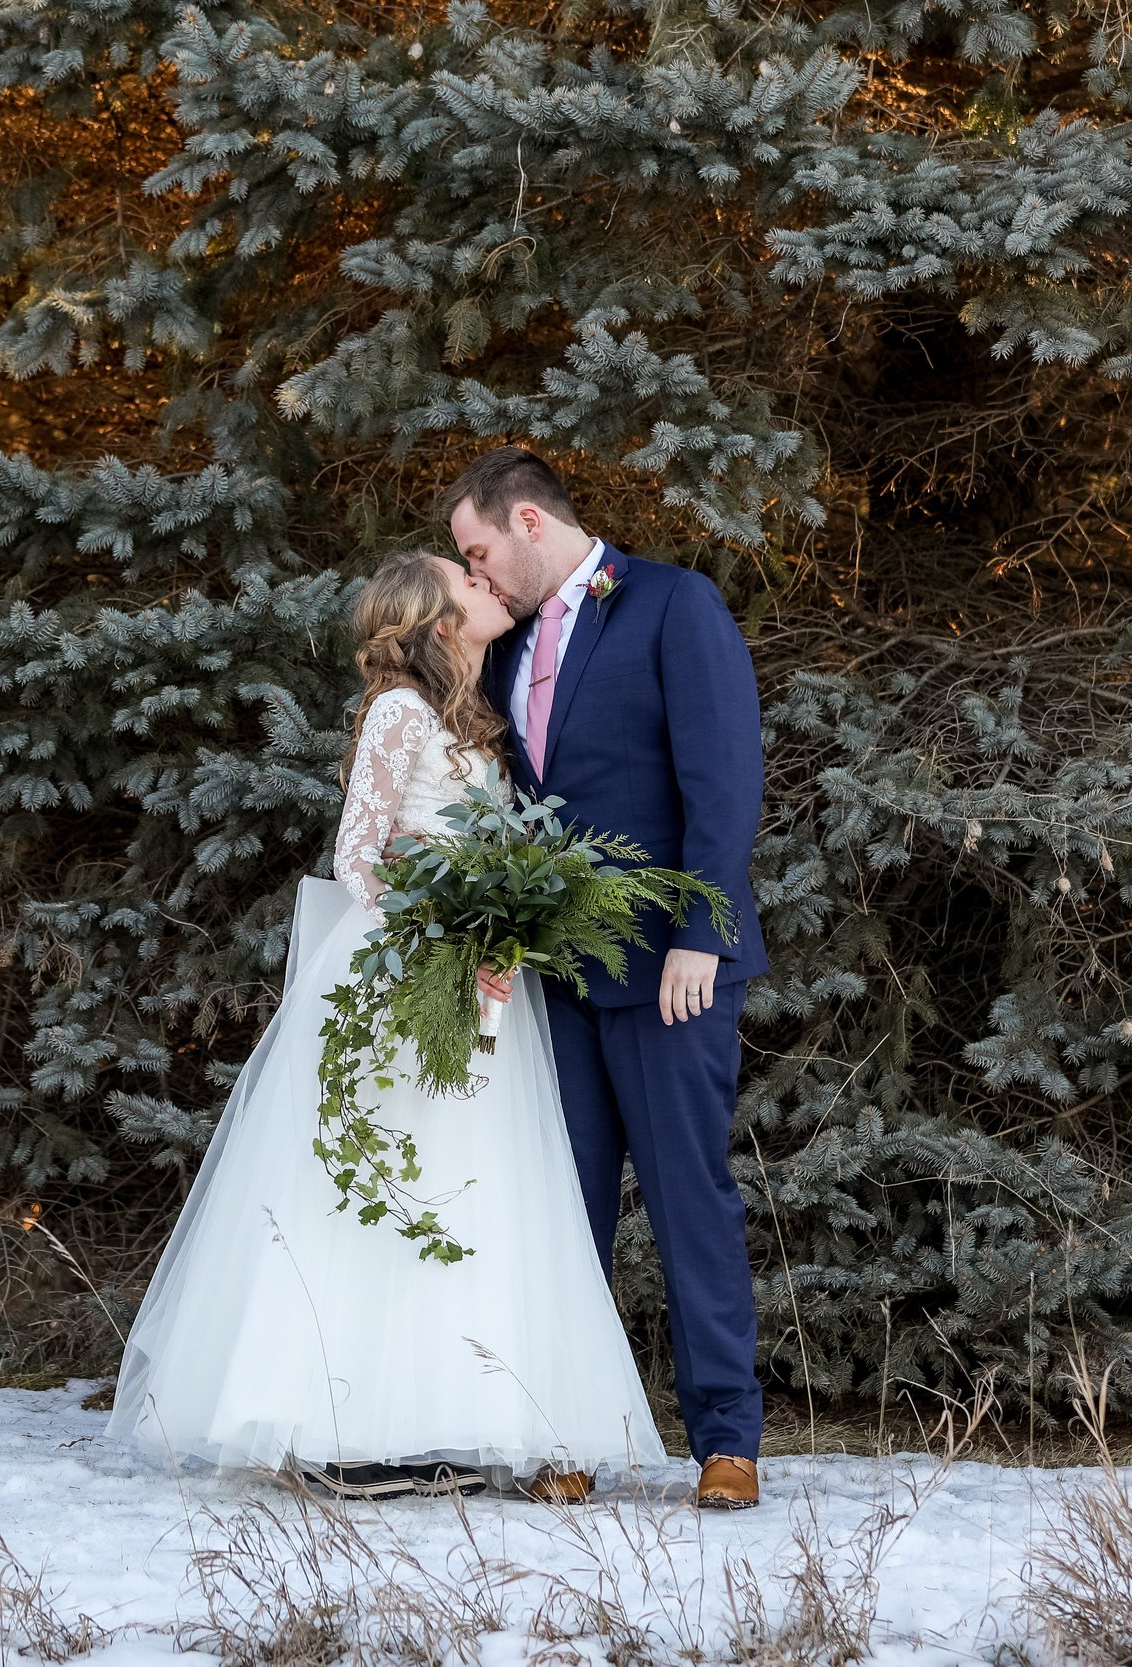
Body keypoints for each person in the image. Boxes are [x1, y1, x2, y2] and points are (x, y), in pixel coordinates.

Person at [106, 549, 663, 1500]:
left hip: (479, 985)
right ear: (440, 622)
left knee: (469, 1190)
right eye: (470, 583)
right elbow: (359, 855)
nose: (491, 588)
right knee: (381, 1191)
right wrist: (449, 931)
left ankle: (450, 1417)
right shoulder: (401, 714)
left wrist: (505, 926)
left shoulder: (478, 726)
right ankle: (348, 1427)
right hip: (403, 981)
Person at [446, 445, 770, 1512]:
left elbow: (720, 778)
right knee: (564, 1210)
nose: (476, 574)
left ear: (529, 521)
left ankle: (726, 1440)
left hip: (669, 968)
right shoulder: (502, 642)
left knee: (688, 1202)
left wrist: (701, 935)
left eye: (479, 550)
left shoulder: (673, 604)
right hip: (553, 975)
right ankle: (567, 1433)